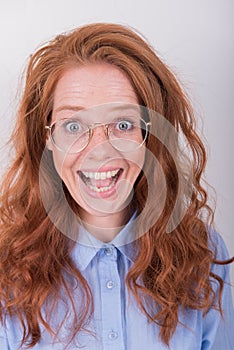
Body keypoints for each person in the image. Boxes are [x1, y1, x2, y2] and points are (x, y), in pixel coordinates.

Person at [0, 23, 233, 350]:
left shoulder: (203, 255)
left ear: (148, 136)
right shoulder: (6, 271)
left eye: (123, 124)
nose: (99, 149)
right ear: (47, 138)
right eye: (73, 125)